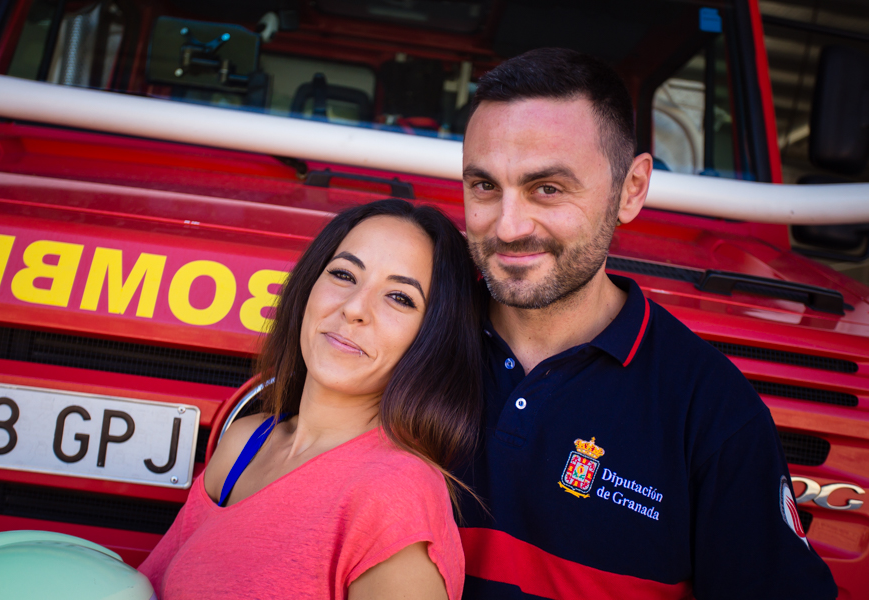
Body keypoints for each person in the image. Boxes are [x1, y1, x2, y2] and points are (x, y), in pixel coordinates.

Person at [457, 48, 838, 599]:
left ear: (631, 189)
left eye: (549, 188)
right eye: (485, 187)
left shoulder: (711, 413)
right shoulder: (407, 335)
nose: (509, 227)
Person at [138, 198, 484, 600]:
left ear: (431, 339)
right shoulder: (244, 445)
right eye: (343, 274)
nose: (354, 308)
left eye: (400, 298)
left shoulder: (395, 496)